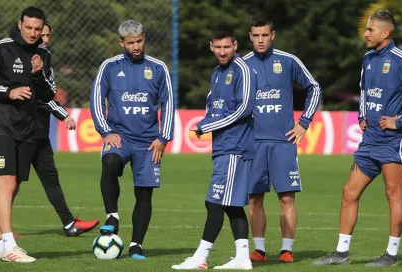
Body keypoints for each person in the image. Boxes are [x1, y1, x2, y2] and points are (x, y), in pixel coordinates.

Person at [312, 10, 402, 267]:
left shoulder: (401, 60)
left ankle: (392, 254)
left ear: (385, 33)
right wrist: (362, 115)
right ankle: (341, 253)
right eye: (366, 29)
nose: (365, 34)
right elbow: (364, 90)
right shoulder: (367, 59)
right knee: (349, 193)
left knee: (393, 194)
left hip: (392, 141)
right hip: (369, 141)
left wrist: (400, 121)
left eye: (370, 30)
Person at [0, 22, 100, 238]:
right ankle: (0, 232)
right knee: (11, 182)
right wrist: (63, 114)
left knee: (26, 181)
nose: (43, 38)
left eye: (46, 35)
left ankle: (0, 229)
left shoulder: (43, 58)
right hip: (23, 130)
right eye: (41, 33)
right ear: (23, 28)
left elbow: (47, 92)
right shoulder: (11, 52)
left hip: (37, 131)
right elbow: (39, 97)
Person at [172, 24, 256, 270]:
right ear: (211, 47)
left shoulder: (243, 69)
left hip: (235, 147)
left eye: (227, 47)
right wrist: (205, 122)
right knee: (231, 205)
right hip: (222, 146)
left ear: (235, 45)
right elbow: (213, 104)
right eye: (218, 47)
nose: (222, 52)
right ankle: (242, 258)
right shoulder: (217, 72)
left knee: (214, 202)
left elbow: (244, 109)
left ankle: (200, 257)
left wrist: (208, 126)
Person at [90, 19, 174, 259]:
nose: (136, 47)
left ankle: (136, 244)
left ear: (144, 38)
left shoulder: (158, 68)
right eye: (130, 43)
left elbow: (168, 103)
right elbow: (96, 100)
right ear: (121, 43)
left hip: (149, 142)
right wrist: (106, 132)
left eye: (139, 41)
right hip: (121, 136)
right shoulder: (110, 67)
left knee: (144, 194)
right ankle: (112, 217)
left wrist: (163, 138)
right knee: (110, 163)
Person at [242, 14, 322, 263]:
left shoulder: (288, 61)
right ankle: (260, 250)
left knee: (286, 197)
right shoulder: (241, 65)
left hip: (283, 142)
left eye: (265, 35)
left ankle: (287, 249)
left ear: (273, 35)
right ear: (250, 37)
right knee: (254, 198)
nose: (260, 40)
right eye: (256, 35)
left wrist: (303, 123)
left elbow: (314, 88)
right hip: (253, 143)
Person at [0, 6, 56, 263]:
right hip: (0, 126)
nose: (33, 33)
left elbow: (48, 95)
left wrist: (37, 75)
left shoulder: (43, 55)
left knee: (12, 189)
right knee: (6, 184)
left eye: (38, 29)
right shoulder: (1, 48)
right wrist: (8, 92)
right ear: (20, 24)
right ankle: (10, 246)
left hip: (27, 129)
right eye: (29, 28)